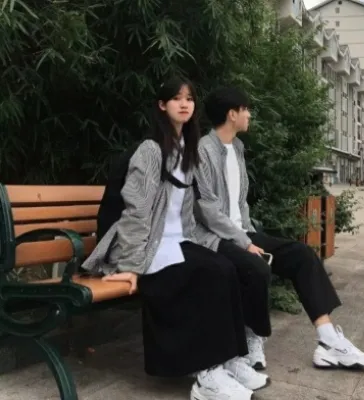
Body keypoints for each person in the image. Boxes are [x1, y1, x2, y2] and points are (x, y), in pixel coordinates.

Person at [81, 77, 269, 400]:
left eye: (189, 99)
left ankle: (229, 359)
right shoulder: (151, 151)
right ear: (161, 105)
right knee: (209, 275)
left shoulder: (187, 150)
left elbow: (190, 213)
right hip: (147, 246)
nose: (184, 104)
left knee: (227, 269)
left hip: (176, 242)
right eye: (176, 98)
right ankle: (206, 377)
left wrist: (215, 244)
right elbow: (136, 212)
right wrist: (131, 266)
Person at [194, 86, 364, 373]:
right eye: (246, 109)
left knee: (301, 255)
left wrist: (248, 234)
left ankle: (328, 340)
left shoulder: (236, 148)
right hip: (216, 238)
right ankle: (253, 337)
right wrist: (244, 241)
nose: (249, 115)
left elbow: (240, 202)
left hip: (243, 232)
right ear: (232, 114)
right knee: (257, 267)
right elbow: (208, 210)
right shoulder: (203, 151)